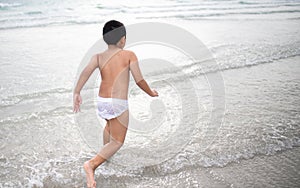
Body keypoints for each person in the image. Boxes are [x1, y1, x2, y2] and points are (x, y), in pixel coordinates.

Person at [73, 20, 158, 188]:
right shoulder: (128, 55)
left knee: (109, 126)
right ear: (123, 39)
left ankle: (107, 157)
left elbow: (85, 73)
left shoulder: (97, 57)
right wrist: (151, 92)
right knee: (118, 141)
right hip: (117, 103)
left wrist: (77, 92)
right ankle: (92, 165)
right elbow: (139, 80)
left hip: (102, 102)